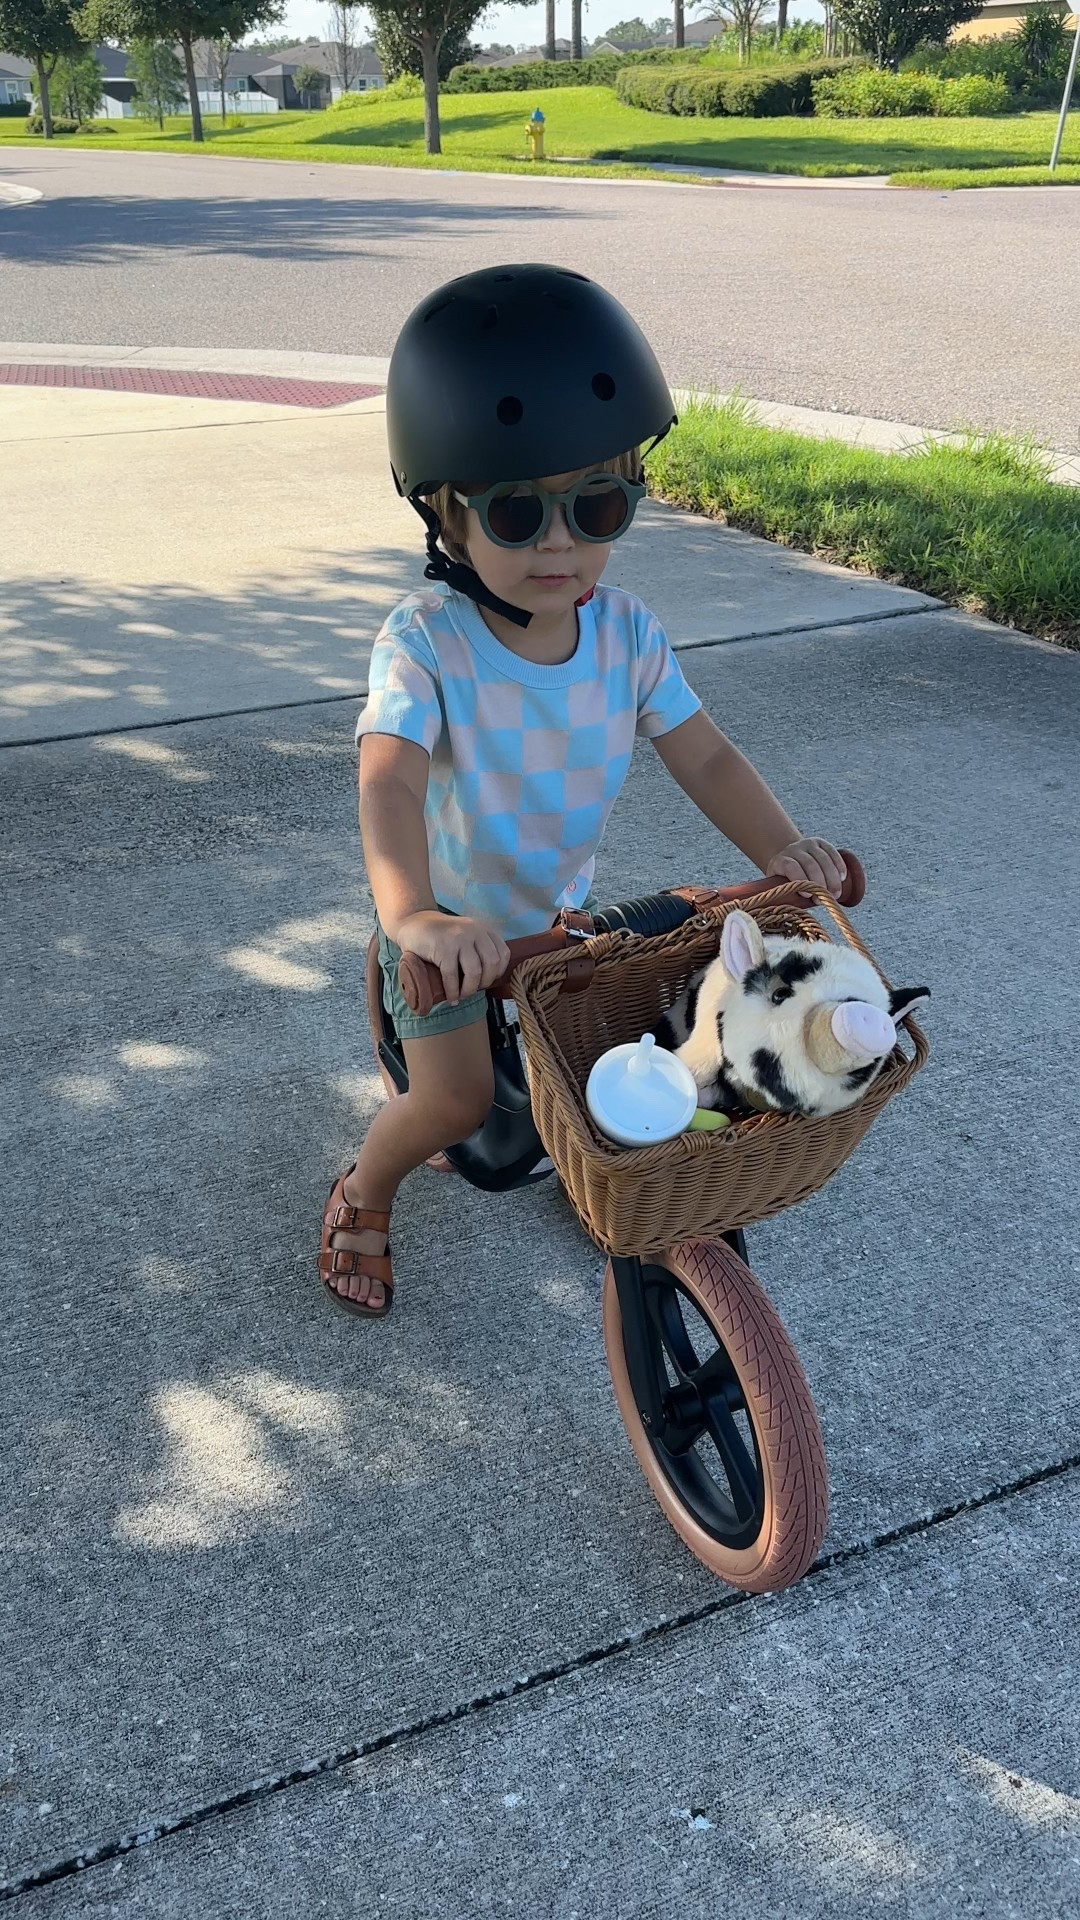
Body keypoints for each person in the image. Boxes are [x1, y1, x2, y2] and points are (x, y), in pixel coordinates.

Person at [319, 264, 846, 1320]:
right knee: (457, 1102)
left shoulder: (626, 634)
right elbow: (390, 774)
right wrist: (413, 916)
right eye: (518, 514)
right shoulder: (428, 642)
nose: (561, 544)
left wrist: (786, 854)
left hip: (557, 925)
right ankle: (361, 1190)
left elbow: (704, 755)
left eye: (595, 503)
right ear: (446, 513)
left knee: (629, 1070)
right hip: (448, 935)